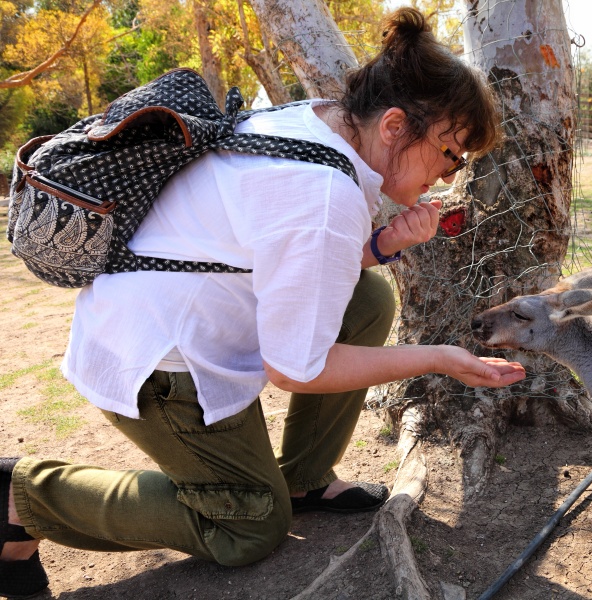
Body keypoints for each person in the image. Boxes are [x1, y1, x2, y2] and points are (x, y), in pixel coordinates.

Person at [0, 7, 525, 597]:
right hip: (159, 365)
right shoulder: (326, 193)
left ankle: (302, 479)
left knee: (367, 297)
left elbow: (288, 259)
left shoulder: (311, 121)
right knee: (250, 525)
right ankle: (24, 495)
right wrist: (437, 358)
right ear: (395, 125)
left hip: (154, 318)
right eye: (450, 154)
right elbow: (298, 370)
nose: (449, 174)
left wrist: (383, 244)